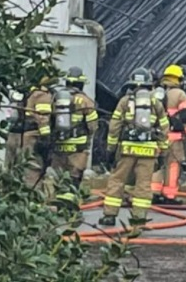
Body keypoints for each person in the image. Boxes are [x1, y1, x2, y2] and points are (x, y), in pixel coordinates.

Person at [98, 68, 170, 227]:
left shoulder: (124, 102)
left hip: (127, 150)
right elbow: (165, 128)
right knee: (143, 185)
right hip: (149, 151)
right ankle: (138, 218)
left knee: (117, 181)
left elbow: (114, 127)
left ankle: (109, 216)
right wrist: (163, 151)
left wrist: (110, 149)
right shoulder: (155, 103)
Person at [49, 67, 99, 206]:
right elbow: (92, 125)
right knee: (74, 175)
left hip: (59, 143)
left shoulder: (55, 99)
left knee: (59, 175)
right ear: (81, 84)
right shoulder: (85, 100)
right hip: (78, 145)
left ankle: (58, 201)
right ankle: (69, 205)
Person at [153, 64, 186, 205]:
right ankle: (169, 195)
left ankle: (154, 192)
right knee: (172, 166)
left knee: (158, 165)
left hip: (157, 137)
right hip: (174, 139)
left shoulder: (155, 93)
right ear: (179, 79)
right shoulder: (180, 94)